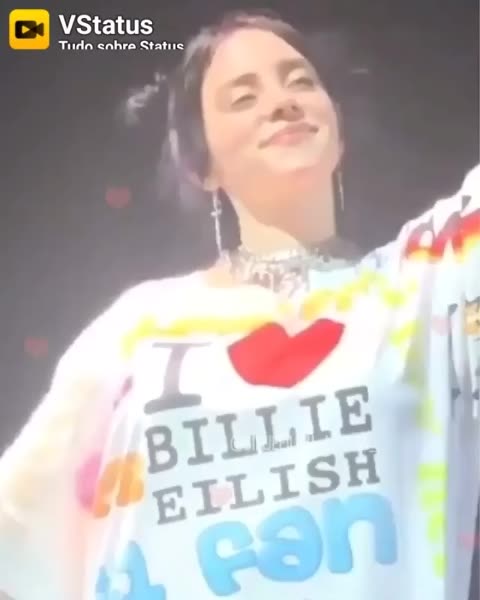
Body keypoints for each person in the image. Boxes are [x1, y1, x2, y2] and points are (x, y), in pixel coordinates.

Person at [0, 10, 478, 600]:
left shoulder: (426, 282)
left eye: (301, 81)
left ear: (338, 130)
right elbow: (15, 534)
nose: (282, 103)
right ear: (202, 165)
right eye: (243, 98)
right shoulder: (137, 330)